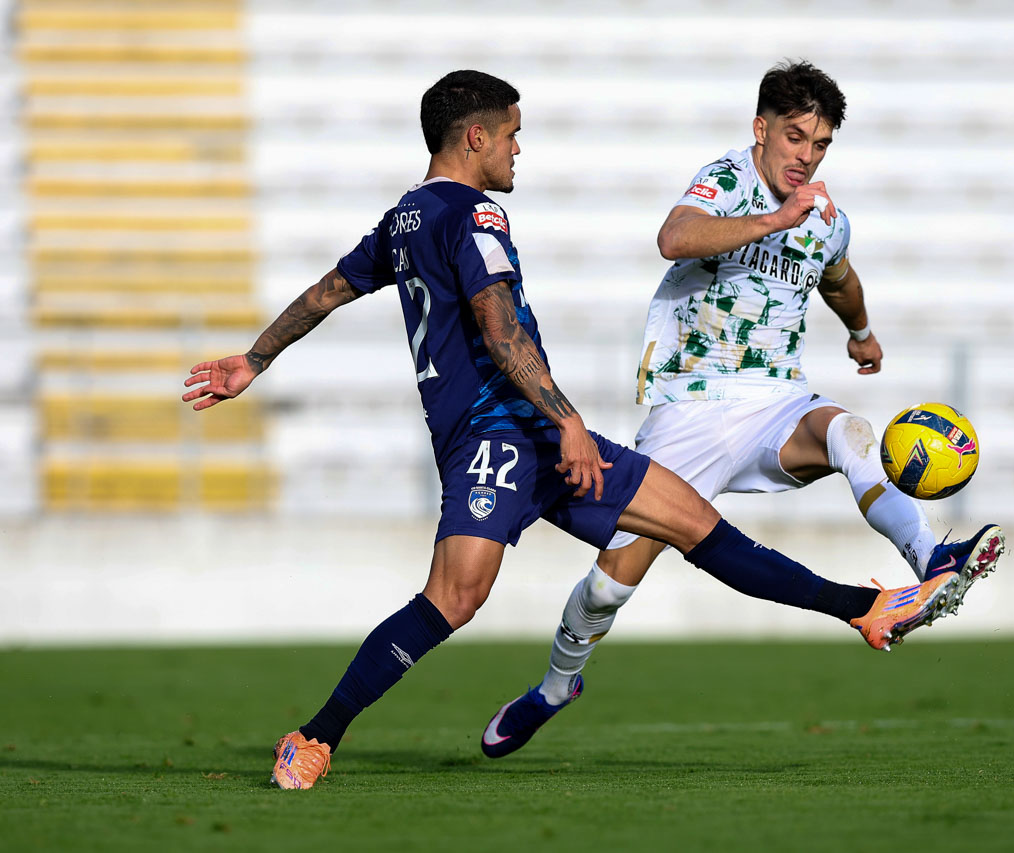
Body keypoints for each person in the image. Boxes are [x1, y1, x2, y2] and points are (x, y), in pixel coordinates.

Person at [180, 70, 963, 791]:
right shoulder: (475, 212)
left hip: (531, 431)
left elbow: (324, 293)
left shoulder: (402, 219)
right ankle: (314, 735)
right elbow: (497, 325)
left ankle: (863, 608)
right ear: (475, 137)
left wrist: (254, 359)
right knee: (453, 598)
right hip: (495, 432)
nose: (520, 147)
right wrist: (569, 422)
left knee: (695, 525)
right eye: (513, 133)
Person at [479, 61, 1006, 759]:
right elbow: (674, 237)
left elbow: (838, 276)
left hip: (776, 401)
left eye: (820, 145)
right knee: (609, 586)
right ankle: (555, 685)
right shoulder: (728, 181)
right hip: (690, 404)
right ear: (761, 130)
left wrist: (860, 332)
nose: (806, 156)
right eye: (795, 137)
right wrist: (774, 219)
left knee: (850, 432)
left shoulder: (825, 219)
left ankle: (931, 560)